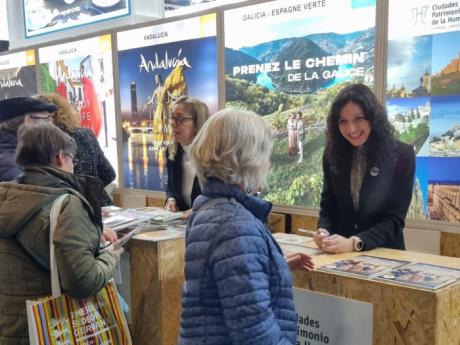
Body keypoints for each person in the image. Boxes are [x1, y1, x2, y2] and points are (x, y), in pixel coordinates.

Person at [179, 109, 313, 345]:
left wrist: (273, 265)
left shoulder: (207, 207)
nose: (268, 162)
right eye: (265, 152)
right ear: (246, 156)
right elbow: (255, 333)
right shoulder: (235, 225)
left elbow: (227, 284)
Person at [0, 122, 122, 343]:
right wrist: (110, 257)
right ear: (59, 157)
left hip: (11, 328)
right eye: (71, 159)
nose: (73, 165)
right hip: (54, 329)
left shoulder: (7, 197)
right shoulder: (67, 204)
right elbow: (82, 281)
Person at [315, 83, 415, 254]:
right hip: (338, 256)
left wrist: (355, 242)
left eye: (358, 119)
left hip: (385, 255)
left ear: (373, 119)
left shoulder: (402, 155)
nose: (351, 129)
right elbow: (328, 207)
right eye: (343, 122)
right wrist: (324, 231)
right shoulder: (332, 154)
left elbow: (394, 220)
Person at [36, 93, 116, 206]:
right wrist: (90, 188)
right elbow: (109, 174)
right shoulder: (86, 135)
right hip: (100, 207)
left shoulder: (39, 143)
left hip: (64, 211)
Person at [164, 96, 210, 216]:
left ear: (197, 123)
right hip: (182, 224)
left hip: (210, 222)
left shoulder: (215, 154)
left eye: (179, 119)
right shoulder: (171, 151)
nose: (172, 124)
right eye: (172, 118)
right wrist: (171, 199)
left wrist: (199, 209)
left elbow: (224, 196)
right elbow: (170, 186)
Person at [0, 97, 57, 182]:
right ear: (28, 121)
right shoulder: (13, 167)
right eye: (47, 118)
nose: (51, 124)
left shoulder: (16, 156)